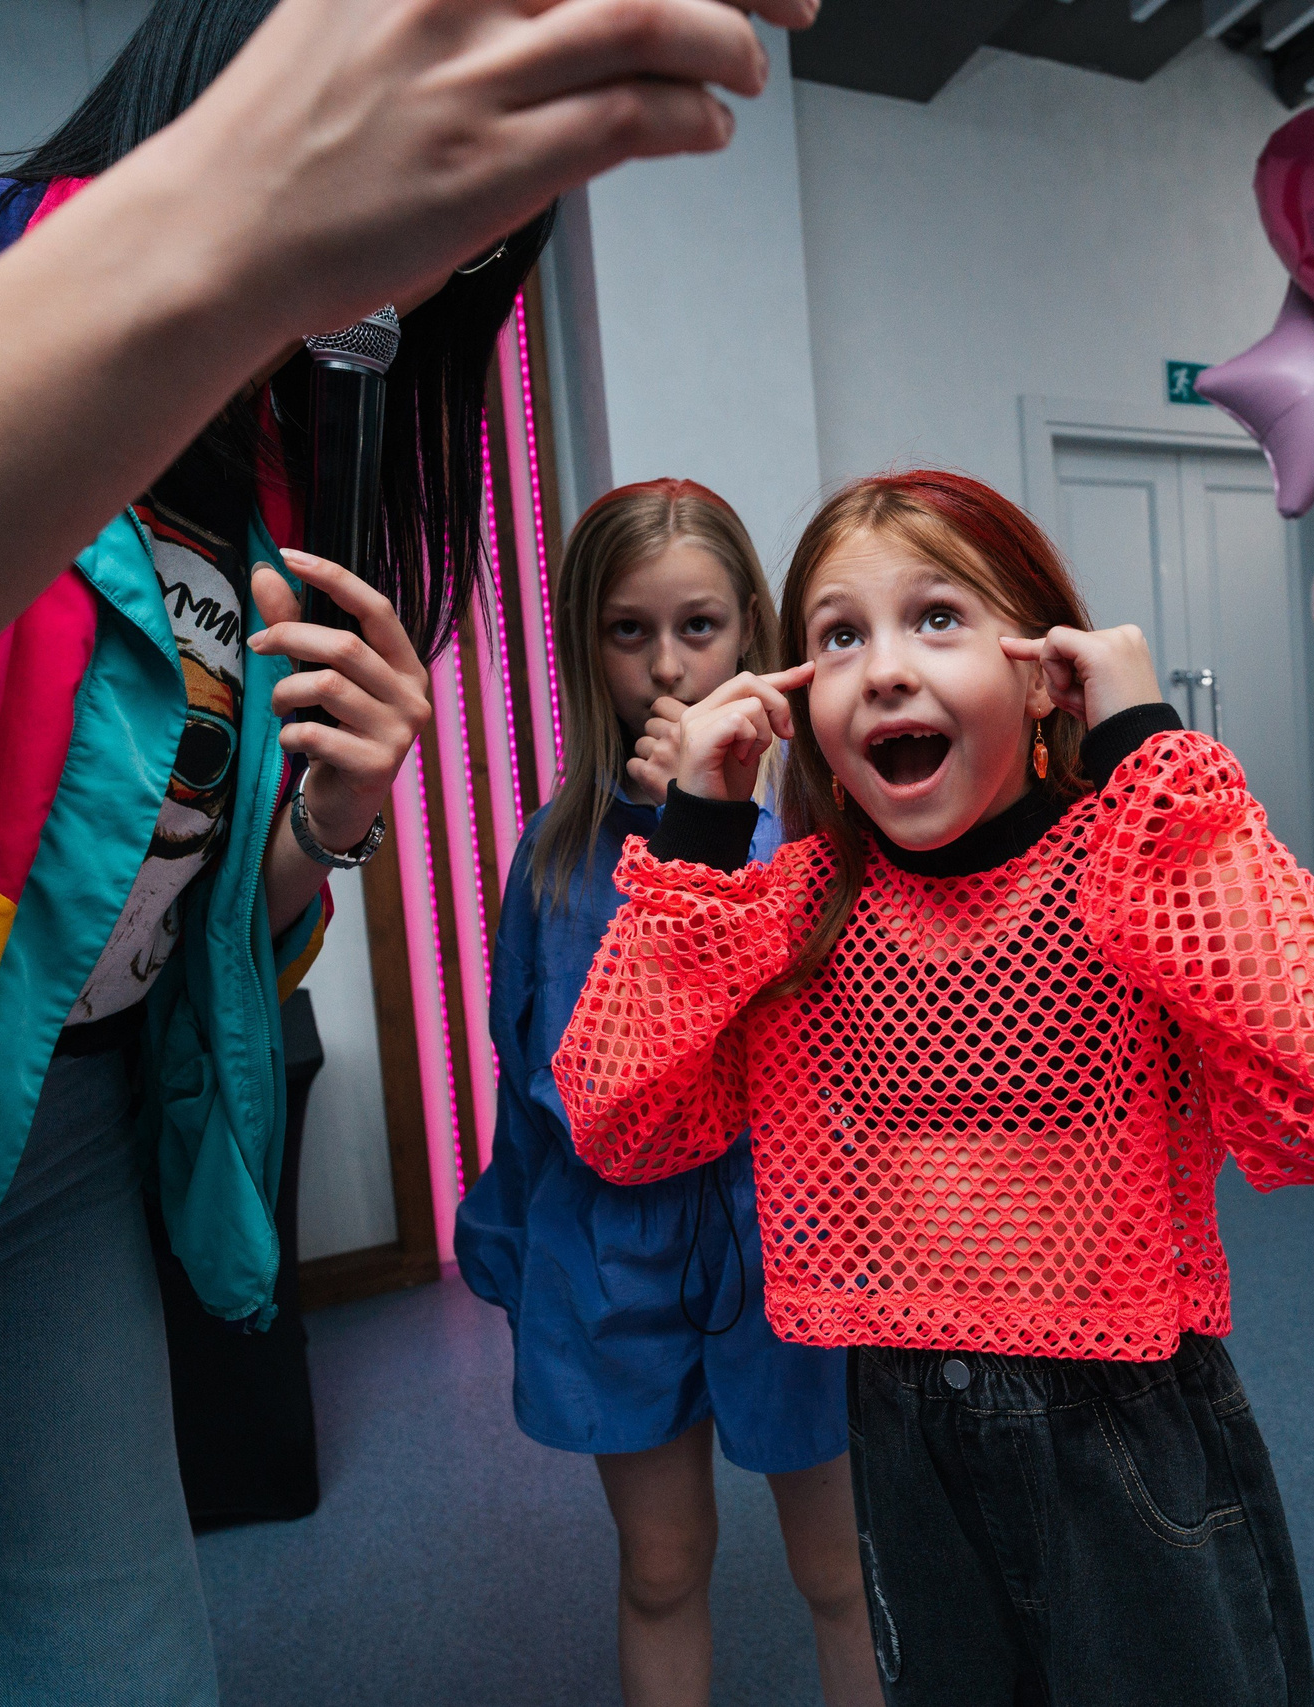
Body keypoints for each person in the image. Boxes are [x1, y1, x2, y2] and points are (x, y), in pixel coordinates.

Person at [0, 0, 817, 1697]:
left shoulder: (271, 516)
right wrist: (229, 226)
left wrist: (325, 827)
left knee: (114, 1664)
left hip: (51, 1139)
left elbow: (157, 917)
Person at [555, 470, 1314, 1706]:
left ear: (1043, 672)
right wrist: (703, 834)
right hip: (900, 1433)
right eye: (837, 636)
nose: (881, 666)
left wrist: (1146, 754)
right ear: (797, 699)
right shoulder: (798, 914)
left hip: (1126, 1428)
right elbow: (621, 1123)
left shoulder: (1130, 873)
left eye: (936, 618)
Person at [455, 479, 876, 1707]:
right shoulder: (553, 853)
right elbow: (540, 1080)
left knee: (840, 1569)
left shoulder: (813, 826)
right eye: (629, 631)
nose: (667, 669)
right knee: (659, 1565)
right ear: (587, 639)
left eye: (698, 628)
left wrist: (715, 820)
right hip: (611, 1250)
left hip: (784, 1235)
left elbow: (840, 1041)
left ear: (751, 624)